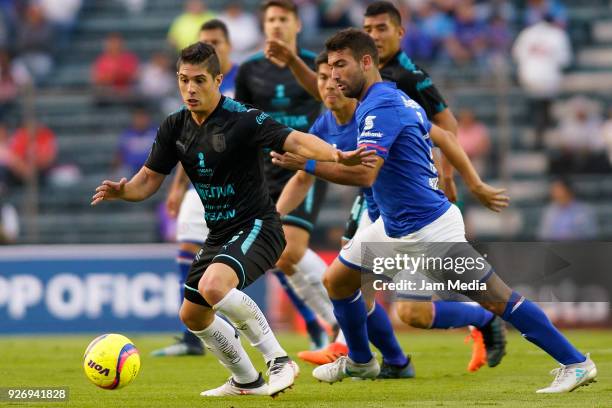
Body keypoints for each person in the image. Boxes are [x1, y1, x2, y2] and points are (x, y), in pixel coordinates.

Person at [301, 28, 596, 394]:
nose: (335, 75)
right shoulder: (388, 100)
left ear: (366, 62)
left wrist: (308, 164)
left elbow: (365, 172)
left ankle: (576, 363)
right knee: (338, 281)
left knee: (501, 300)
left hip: (430, 231)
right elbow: (431, 138)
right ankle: (361, 361)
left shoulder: (382, 106)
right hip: (395, 228)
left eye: (341, 65)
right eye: (329, 68)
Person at [91, 42, 369, 397]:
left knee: (213, 287)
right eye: (183, 80)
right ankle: (245, 380)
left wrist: (336, 154)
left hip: (258, 226)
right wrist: (124, 190)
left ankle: (279, 361)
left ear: (218, 79)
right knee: (192, 316)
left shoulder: (243, 118)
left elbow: (295, 140)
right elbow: (147, 181)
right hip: (220, 234)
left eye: (199, 80)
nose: (190, 89)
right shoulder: (174, 127)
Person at [266, 1, 503, 370]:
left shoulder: (398, 85)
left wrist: (458, 177)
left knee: (410, 311)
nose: (331, 82)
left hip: (409, 208)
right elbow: (304, 176)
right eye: (369, 29)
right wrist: (273, 217)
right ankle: (372, 356)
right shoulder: (333, 114)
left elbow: (444, 133)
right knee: (346, 282)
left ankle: (479, 319)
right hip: (374, 202)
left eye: (381, 29)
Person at [236, 0, 339, 347]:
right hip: (266, 169)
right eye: (271, 20)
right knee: (280, 257)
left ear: (297, 25)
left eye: (283, 19)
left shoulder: (314, 65)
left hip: (306, 166)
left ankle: (338, 322)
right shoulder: (250, 69)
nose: (277, 25)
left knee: (288, 251)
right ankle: (334, 326)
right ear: (264, 26)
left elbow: (329, 102)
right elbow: (242, 121)